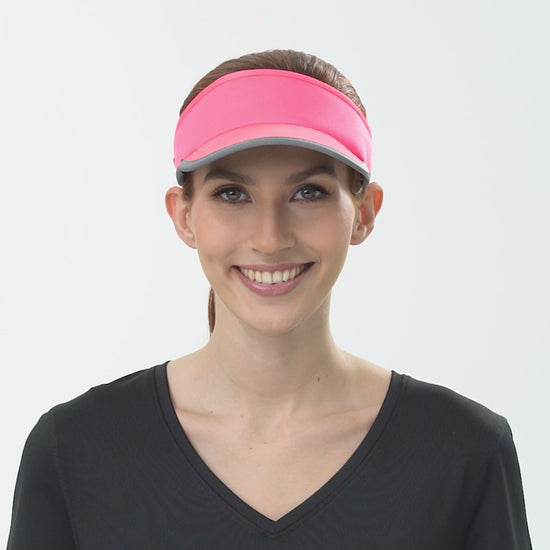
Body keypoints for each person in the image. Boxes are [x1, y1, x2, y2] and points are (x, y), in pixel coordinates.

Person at [7, 49, 531, 549]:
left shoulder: (462, 452)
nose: (270, 237)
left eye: (309, 192)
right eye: (232, 194)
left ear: (365, 213)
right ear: (183, 216)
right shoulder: (76, 450)